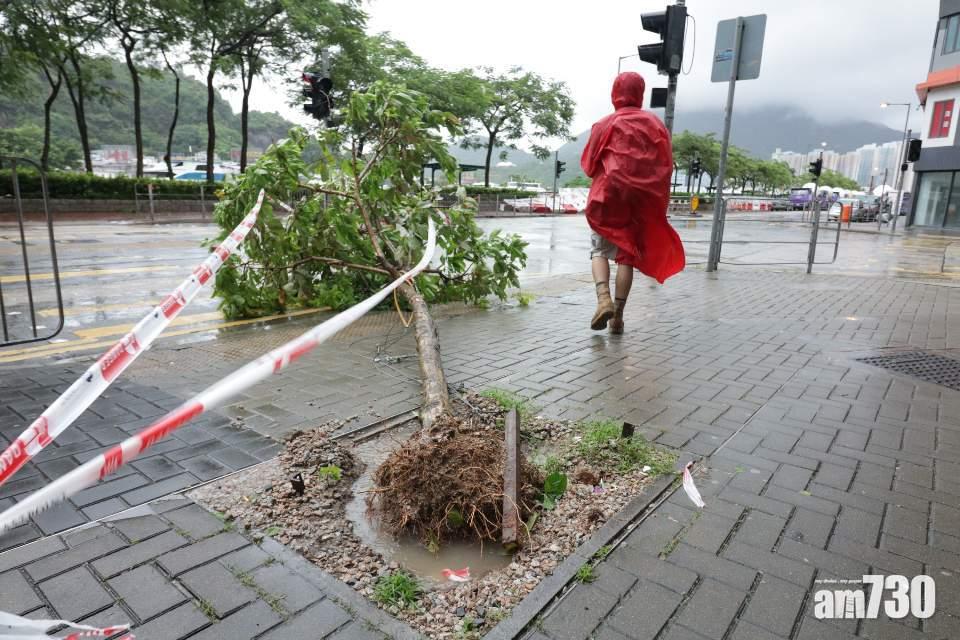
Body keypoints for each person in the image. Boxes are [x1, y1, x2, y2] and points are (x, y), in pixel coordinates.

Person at [580, 72, 685, 334]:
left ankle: (602, 299)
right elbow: (664, 166)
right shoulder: (656, 125)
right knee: (626, 256)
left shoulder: (604, 124)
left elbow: (590, 164)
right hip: (637, 201)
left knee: (599, 251)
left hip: (607, 197)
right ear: (640, 93)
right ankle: (618, 317)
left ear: (615, 93)